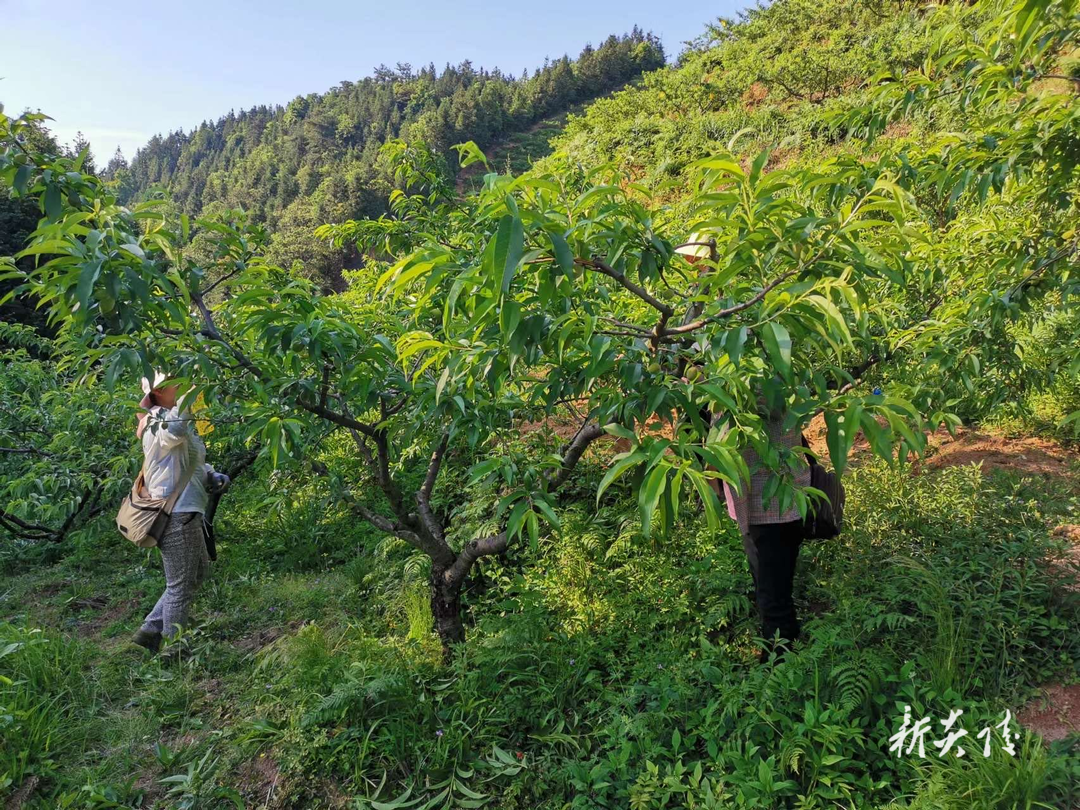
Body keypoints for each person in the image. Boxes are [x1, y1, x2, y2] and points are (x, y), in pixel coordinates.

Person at [674, 237, 810, 663]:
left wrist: (720, 383)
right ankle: (782, 642)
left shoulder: (762, 337)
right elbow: (682, 362)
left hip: (775, 489)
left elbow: (777, 400)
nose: (699, 272)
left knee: (772, 584)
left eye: (704, 264)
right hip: (747, 486)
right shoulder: (716, 328)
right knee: (762, 570)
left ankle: (780, 663)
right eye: (696, 266)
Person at [130, 372, 229, 654]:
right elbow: (175, 432)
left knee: (195, 575)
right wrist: (190, 394)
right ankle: (174, 650)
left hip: (186, 510)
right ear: (158, 392)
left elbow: (188, 463)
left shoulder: (169, 418)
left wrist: (212, 475)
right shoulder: (158, 421)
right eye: (176, 383)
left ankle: (150, 630)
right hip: (177, 513)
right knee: (180, 586)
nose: (182, 386)